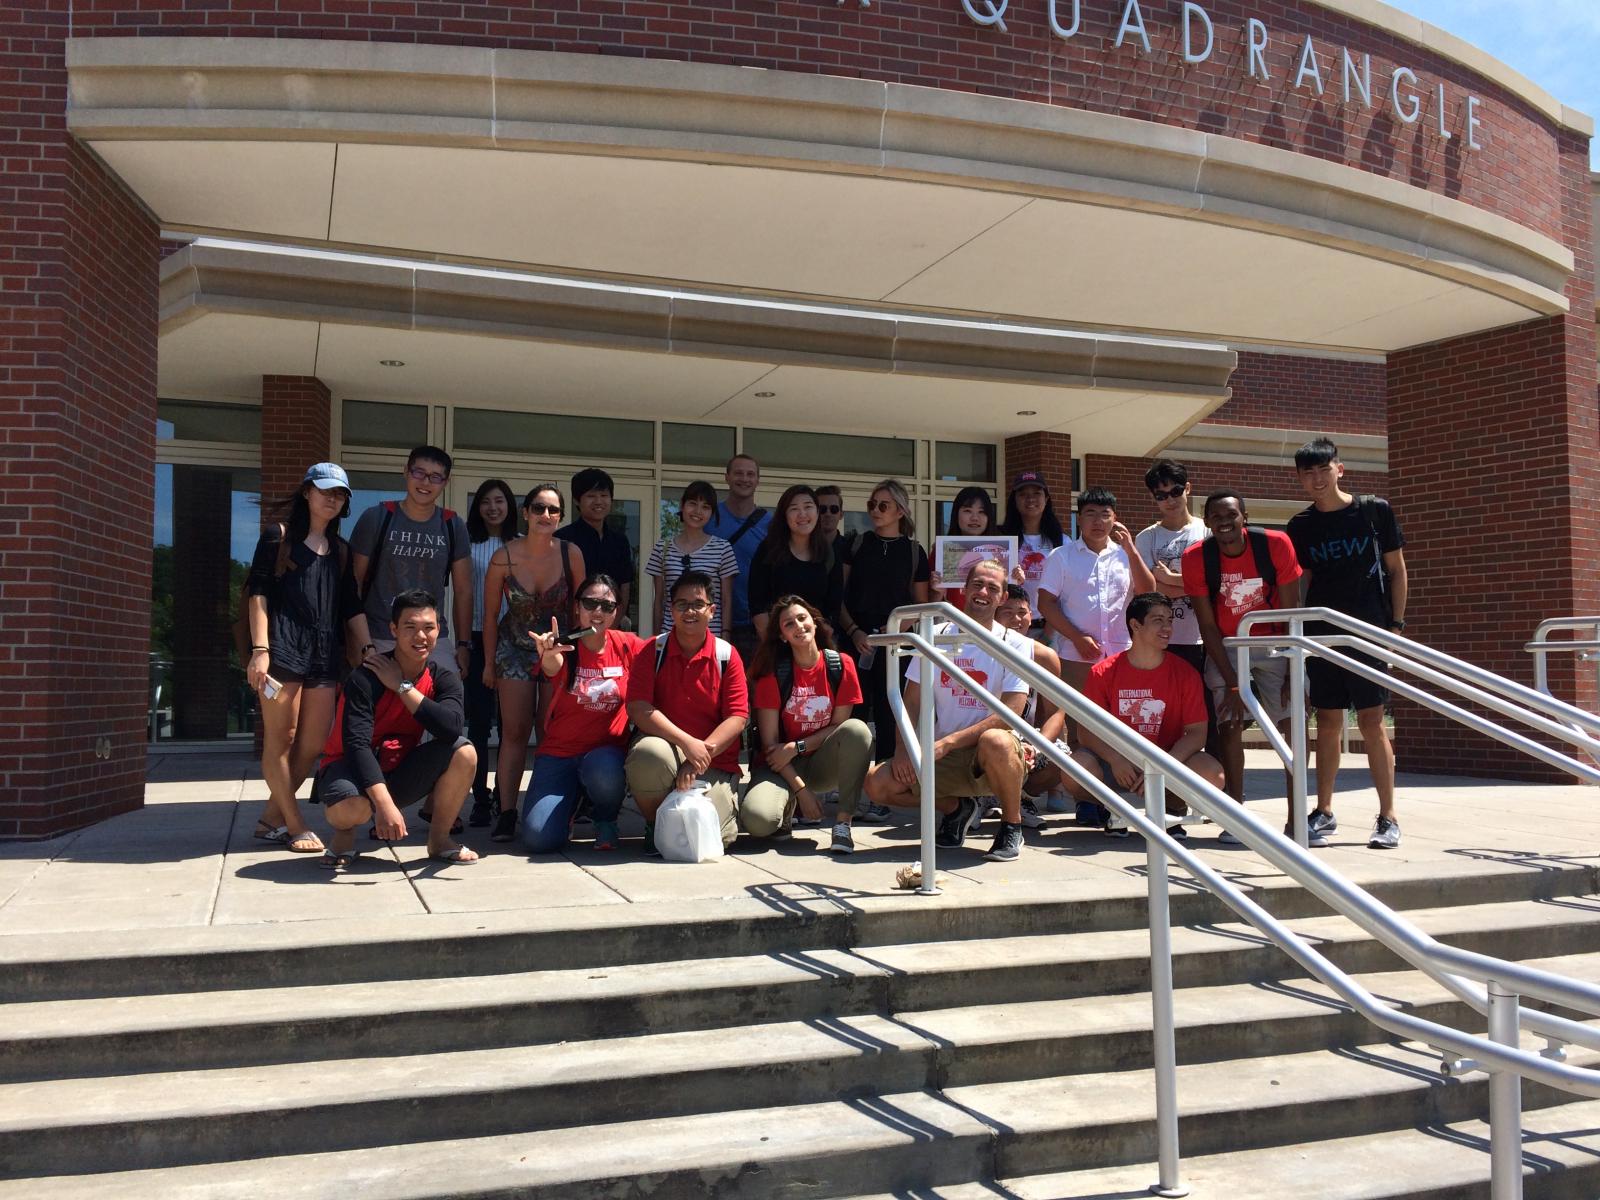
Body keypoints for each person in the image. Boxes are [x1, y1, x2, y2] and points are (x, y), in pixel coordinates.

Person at [861, 559, 1031, 862]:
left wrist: (947, 743)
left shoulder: (1016, 643)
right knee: (878, 783)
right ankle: (957, 809)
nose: (983, 592)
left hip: (992, 756)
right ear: (964, 589)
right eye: (977, 584)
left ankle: (1011, 824)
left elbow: (1011, 713)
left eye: (993, 588)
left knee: (997, 740)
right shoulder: (933, 633)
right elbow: (911, 700)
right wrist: (904, 748)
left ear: (1003, 598)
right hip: (945, 753)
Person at [1287, 437, 1409, 850]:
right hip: (1323, 634)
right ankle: (1323, 811)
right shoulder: (1300, 527)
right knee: (1327, 722)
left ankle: (1388, 816)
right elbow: (1300, 581)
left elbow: (1396, 570)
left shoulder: (1374, 511)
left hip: (1369, 630)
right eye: (1309, 473)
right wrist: (1298, 631)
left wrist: (1394, 628)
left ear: (1340, 469)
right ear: (1300, 479)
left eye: (1324, 469)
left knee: (1373, 722)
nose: (1317, 479)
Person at [310, 589, 480, 870]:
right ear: (393, 629)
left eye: (428, 627)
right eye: (410, 627)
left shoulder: (443, 676)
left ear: (439, 629)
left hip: (396, 765)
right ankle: (343, 837)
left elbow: (451, 729)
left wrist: (402, 687)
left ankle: (439, 841)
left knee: (465, 752)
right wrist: (385, 805)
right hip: (347, 766)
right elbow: (356, 746)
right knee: (353, 808)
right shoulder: (366, 677)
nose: (420, 636)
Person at [244, 462, 363, 855]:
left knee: (312, 744)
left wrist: (368, 653)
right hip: (281, 649)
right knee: (282, 739)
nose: (332, 498)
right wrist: (260, 650)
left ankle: (270, 817)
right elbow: (257, 593)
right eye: (325, 490)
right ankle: (293, 823)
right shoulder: (277, 537)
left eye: (340, 493)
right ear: (307, 493)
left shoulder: (341, 551)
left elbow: (351, 608)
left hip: (325, 653)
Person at [1182, 491, 1303, 842]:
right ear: (1207, 522)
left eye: (1231, 515)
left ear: (1244, 517)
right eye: (1216, 516)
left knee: (1291, 724)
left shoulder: (1275, 545)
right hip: (1228, 644)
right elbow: (1207, 625)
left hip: (1277, 640)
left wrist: (1294, 670)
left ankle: (1297, 819)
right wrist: (1235, 685)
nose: (1224, 522)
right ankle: (1236, 815)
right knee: (1229, 722)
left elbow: (1292, 614)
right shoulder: (1197, 558)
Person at [1065, 593, 1225, 838]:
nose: (1167, 628)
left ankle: (1170, 809)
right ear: (1135, 625)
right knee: (1074, 768)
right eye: (1158, 620)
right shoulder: (1103, 672)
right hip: (1118, 765)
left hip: (1167, 761)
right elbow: (1085, 732)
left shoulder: (1185, 673)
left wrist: (1164, 766)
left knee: (1213, 775)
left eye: (1169, 620)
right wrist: (1116, 759)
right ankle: (1115, 811)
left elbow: (1197, 733)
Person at [482, 484, 585, 844]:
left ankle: (549, 808)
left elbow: (582, 611)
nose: (546, 516)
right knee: (513, 733)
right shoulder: (504, 557)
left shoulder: (571, 553)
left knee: (550, 733)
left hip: (557, 650)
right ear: (525, 513)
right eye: (538, 508)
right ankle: (507, 811)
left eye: (553, 510)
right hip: (514, 649)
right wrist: (488, 663)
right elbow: (491, 613)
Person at [625, 570, 749, 855]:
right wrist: (686, 743)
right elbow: (639, 708)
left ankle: (681, 816)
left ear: (712, 610)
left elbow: (737, 717)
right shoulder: (652, 650)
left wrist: (699, 757)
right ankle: (655, 824)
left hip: (714, 759)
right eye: (681, 604)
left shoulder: (726, 655)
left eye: (698, 604)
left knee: (712, 836)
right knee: (648, 756)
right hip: (668, 750)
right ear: (671, 610)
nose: (689, 611)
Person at [521, 574, 644, 854]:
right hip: (559, 753)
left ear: (617, 611)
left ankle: (605, 818)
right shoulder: (564, 644)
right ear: (577, 607)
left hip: (605, 755)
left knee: (604, 769)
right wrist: (548, 653)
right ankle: (572, 804)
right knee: (538, 840)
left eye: (607, 606)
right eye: (590, 603)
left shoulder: (627, 645)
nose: (597, 611)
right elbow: (552, 666)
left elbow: (663, 651)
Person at [744, 595, 872, 853]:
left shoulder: (841, 664)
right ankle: (786, 807)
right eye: (788, 624)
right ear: (782, 636)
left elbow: (840, 726)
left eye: (802, 619)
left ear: (815, 623)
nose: (798, 626)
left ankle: (843, 825)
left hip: (820, 761)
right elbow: (771, 747)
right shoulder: (774, 673)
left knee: (858, 730)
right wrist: (802, 791)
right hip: (780, 764)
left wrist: (797, 746)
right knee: (757, 821)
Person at [349, 446, 471, 675]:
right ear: (406, 471)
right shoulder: (377, 517)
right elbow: (353, 582)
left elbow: (463, 590)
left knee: (443, 706)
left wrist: (463, 645)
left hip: (432, 639)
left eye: (435, 477)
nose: (426, 483)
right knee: (380, 708)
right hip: (380, 635)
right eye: (419, 473)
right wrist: (360, 641)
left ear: (445, 481)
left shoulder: (452, 525)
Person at [838, 479, 931, 758]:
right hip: (856, 641)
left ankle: (883, 780)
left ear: (900, 511)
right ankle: (844, 779)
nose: (875, 510)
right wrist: (854, 632)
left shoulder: (915, 551)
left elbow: (921, 604)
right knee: (851, 713)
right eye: (872, 504)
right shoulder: (856, 544)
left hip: (896, 644)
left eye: (883, 505)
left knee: (890, 712)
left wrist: (896, 628)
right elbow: (838, 597)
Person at [1038, 486, 1157, 691]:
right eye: (1090, 513)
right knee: (1079, 718)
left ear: (1114, 519)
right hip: (1076, 654)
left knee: (1120, 718)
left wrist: (1131, 549)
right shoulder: (1061, 556)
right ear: (1079, 518)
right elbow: (1045, 604)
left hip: (1122, 653)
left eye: (1105, 515)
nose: (1098, 521)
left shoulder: (1126, 555)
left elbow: (1148, 593)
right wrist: (1077, 637)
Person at [464, 478, 517, 827]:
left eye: (499, 501)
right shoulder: (467, 545)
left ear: (510, 506)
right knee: (479, 725)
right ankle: (480, 798)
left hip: (513, 640)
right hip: (476, 636)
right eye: (486, 501)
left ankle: (504, 796)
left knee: (512, 726)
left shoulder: (521, 546)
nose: (493, 507)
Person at [995, 583, 1068, 827]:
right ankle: (975, 800)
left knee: (1062, 755)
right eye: (1007, 612)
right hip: (985, 738)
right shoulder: (978, 647)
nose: (1016, 619)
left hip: (1024, 740)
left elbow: (1056, 713)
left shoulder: (1044, 656)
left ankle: (1021, 798)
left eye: (1022, 612)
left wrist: (1038, 747)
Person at [1135, 460, 1209, 681]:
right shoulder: (1146, 538)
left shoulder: (1207, 531)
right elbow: (1149, 592)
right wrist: (1196, 586)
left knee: (1203, 707)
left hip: (1203, 637)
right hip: (1160, 639)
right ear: (1153, 498)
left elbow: (1214, 582)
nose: (1170, 500)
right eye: (1161, 495)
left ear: (1187, 488)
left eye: (1175, 491)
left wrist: (1170, 579)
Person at [747, 485, 843, 641]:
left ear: (817, 512)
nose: (802, 514)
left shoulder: (828, 553)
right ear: (784, 515)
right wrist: (777, 646)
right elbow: (758, 606)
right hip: (775, 643)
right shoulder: (769, 550)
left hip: (815, 644)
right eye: (794, 509)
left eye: (808, 507)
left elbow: (833, 608)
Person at [645, 480, 739, 637]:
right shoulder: (662, 547)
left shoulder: (723, 548)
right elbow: (659, 599)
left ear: (712, 512)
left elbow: (726, 599)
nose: (698, 511)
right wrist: (656, 638)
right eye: (692, 503)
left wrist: (726, 634)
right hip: (671, 635)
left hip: (710, 636)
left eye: (705, 507)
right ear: (682, 505)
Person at [704, 453, 771, 662]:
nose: (745, 479)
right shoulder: (709, 518)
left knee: (755, 692)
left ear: (758, 480)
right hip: (713, 622)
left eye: (751, 474)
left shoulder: (771, 524)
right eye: (738, 473)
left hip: (756, 624)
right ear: (727, 477)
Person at [556, 467, 635, 622]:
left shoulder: (619, 541)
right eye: (591, 496)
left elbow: (624, 587)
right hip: (571, 626)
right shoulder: (562, 539)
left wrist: (613, 624)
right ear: (577, 500)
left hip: (609, 624)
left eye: (604, 495)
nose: (598, 501)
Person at [929, 486, 1007, 609]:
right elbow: (928, 606)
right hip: (952, 623)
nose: (974, 518)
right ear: (956, 514)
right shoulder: (941, 552)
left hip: (990, 625)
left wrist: (1017, 582)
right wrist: (937, 593)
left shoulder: (1002, 552)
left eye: (981, 512)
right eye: (968, 511)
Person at [1000, 470, 1066, 614]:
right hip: (1011, 623)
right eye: (1023, 494)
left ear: (1047, 498)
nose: (1030, 499)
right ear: (1014, 500)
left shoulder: (1063, 542)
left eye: (1037, 493)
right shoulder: (1001, 540)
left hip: (1053, 626)